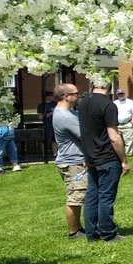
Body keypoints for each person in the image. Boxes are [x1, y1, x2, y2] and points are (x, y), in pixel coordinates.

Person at [79, 83, 129, 242]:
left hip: (90, 156)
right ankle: (108, 233)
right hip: (107, 156)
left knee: (92, 195)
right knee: (106, 196)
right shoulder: (108, 105)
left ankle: (91, 233)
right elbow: (114, 137)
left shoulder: (83, 102)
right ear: (109, 85)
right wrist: (124, 160)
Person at [52, 83, 87, 239]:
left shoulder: (67, 112)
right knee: (75, 196)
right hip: (72, 162)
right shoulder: (65, 115)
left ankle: (78, 228)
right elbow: (84, 135)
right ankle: (73, 231)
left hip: (73, 160)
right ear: (66, 96)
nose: (78, 96)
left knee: (78, 195)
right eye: (76, 93)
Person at [113, 88, 133, 159]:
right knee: (117, 141)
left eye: (122, 93)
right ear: (117, 95)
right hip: (117, 125)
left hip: (127, 124)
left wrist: (132, 121)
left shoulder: (130, 102)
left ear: (124, 94)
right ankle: (118, 154)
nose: (120, 95)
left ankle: (129, 154)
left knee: (129, 141)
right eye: (119, 94)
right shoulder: (115, 103)